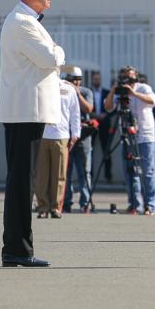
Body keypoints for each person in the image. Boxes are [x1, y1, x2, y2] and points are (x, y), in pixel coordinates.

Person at [0, 0, 65, 267]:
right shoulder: (22, 22)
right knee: (23, 184)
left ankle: (16, 247)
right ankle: (18, 249)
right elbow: (50, 59)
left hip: (26, 111)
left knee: (21, 182)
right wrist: (59, 50)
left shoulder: (25, 21)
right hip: (25, 111)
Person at [104, 66, 155, 215]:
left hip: (145, 135)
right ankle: (135, 204)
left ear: (136, 77)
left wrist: (133, 93)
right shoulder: (119, 91)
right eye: (125, 77)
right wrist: (114, 90)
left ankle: (150, 205)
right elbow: (108, 107)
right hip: (127, 136)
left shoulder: (144, 88)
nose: (128, 80)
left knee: (147, 171)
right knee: (130, 172)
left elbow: (152, 101)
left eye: (130, 77)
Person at [35, 75, 80, 219]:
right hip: (42, 134)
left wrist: (75, 133)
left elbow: (75, 112)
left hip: (61, 135)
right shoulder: (40, 85)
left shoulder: (68, 89)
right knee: (42, 174)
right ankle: (42, 207)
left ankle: (55, 207)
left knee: (59, 174)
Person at [63, 67, 94, 213]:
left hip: (83, 138)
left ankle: (85, 203)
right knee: (65, 171)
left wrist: (77, 93)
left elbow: (88, 109)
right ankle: (66, 202)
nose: (75, 82)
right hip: (67, 135)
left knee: (84, 171)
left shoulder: (86, 92)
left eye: (77, 79)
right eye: (71, 80)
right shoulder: (62, 92)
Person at [89, 71, 113, 184]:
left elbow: (113, 108)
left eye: (98, 79)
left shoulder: (107, 92)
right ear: (92, 80)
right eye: (95, 79)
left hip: (104, 124)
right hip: (92, 124)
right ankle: (90, 176)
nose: (97, 81)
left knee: (106, 150)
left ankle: (108, 176)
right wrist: (92, 114)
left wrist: (106, 114)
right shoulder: (88, 92)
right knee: (90, 150)